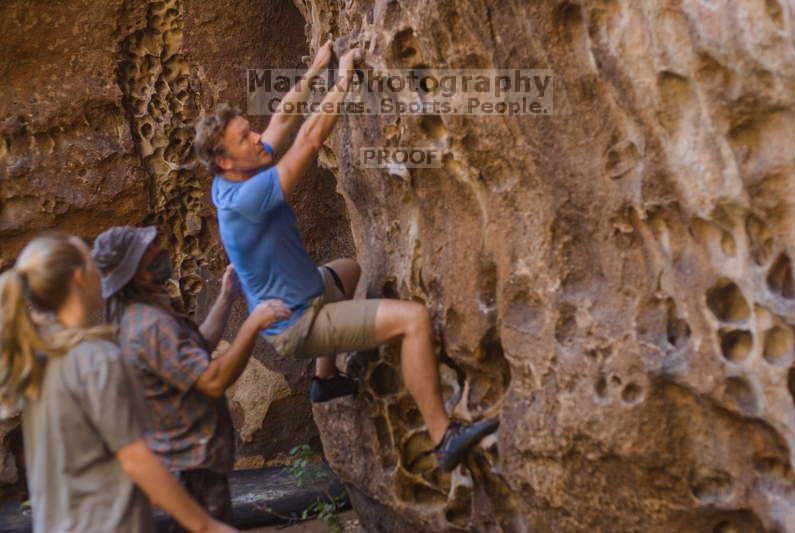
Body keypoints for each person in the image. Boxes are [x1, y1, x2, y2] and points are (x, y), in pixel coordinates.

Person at [193, 42, 498, 472]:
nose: (258, 138)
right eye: (245, 137)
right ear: (225, 160)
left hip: (310, 292)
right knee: (415, 321)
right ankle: (442, 436)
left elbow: (283, 117)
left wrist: (316, 68)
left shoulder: (235, 172)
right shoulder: (246, 199)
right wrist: (342, 82)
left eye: (249, 128)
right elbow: (311, 138)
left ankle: (326, 379)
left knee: (350, 269)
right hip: (299, 323)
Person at [0, 231, 235, 533]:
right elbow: (135, 460)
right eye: (91, 262)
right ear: (79, 278)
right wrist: (206, 526)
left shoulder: (35, 357)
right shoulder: (97, 359)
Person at [91, 226, 289, 530]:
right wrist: (252, 326)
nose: (161, 251)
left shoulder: (144, 312)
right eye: (150, 252)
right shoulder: (150, 326)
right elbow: (211, 380)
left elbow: (198, 347)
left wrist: (226, 297)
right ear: (137, 274)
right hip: (186, 468)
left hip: (187, 463)